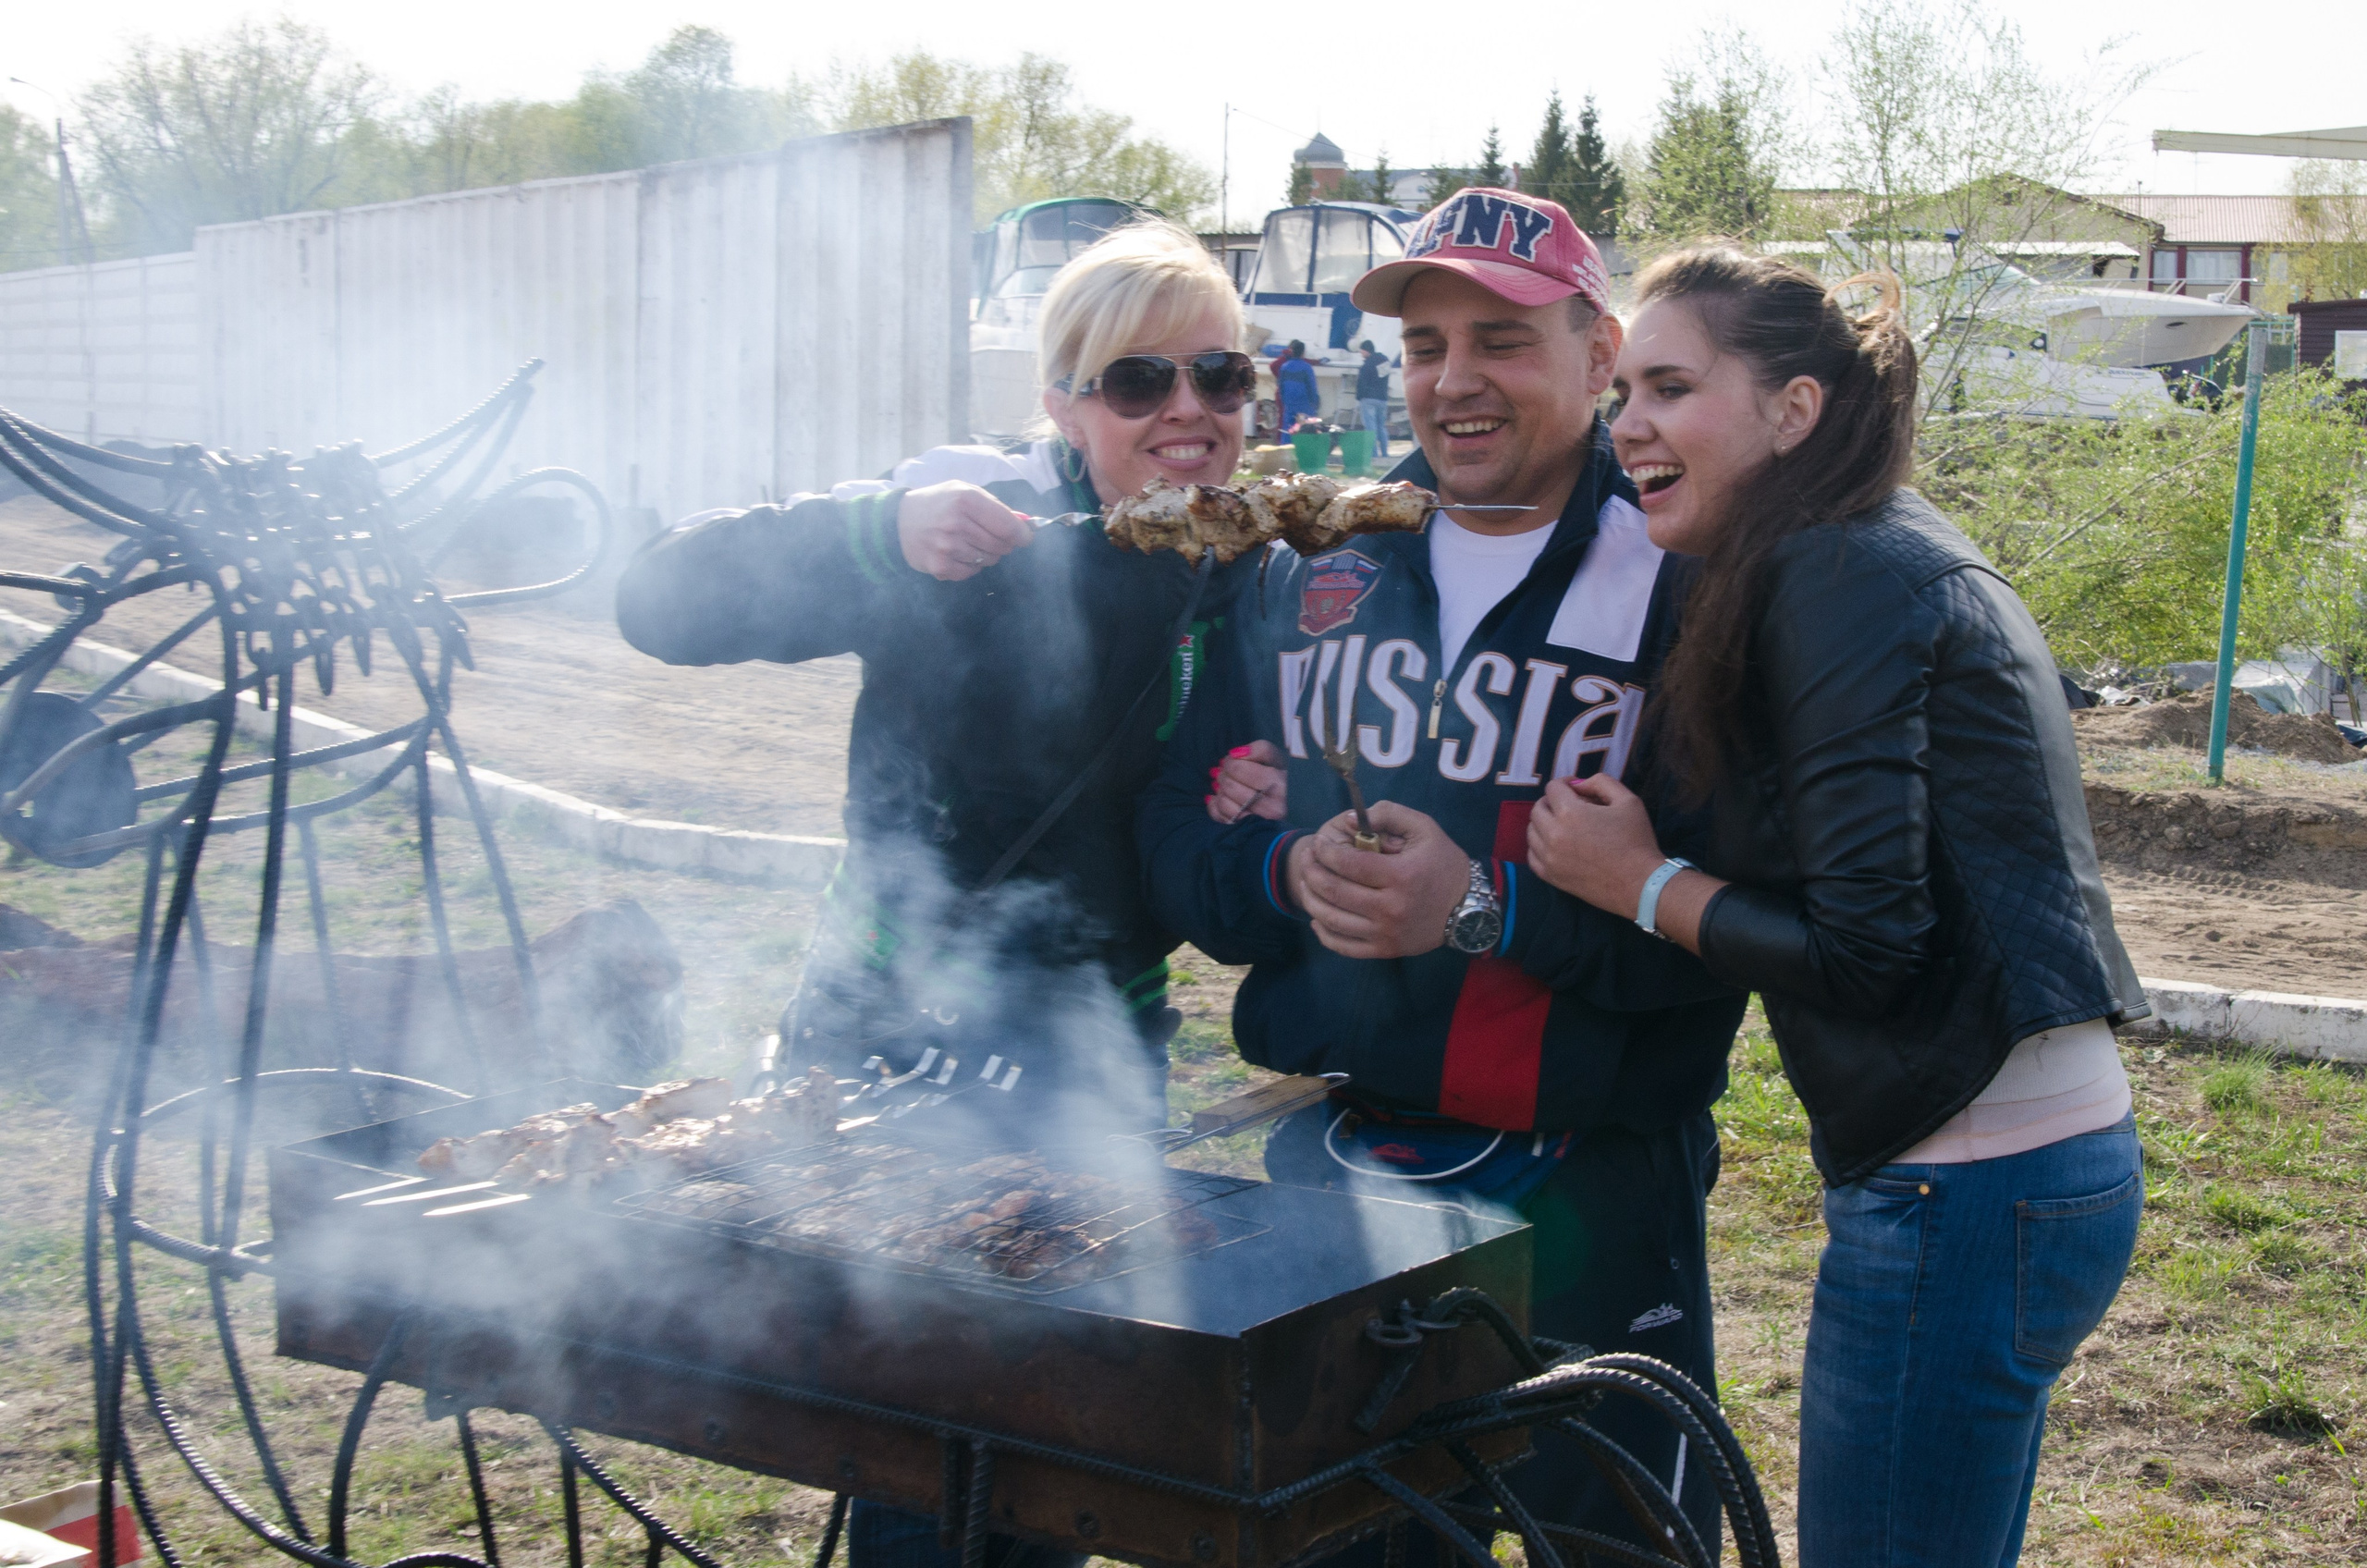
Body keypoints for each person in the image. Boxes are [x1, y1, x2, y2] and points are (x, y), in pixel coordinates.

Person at [616, 219, 1259, 1568]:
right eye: (1140, 382)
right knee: (923, 1454)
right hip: (893, 1048)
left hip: (1098, 1055)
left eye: (1222, 376)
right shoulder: (961, 527)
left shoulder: (1240, 566)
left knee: (1060, 1431)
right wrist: (870, 533)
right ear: (1063, 403)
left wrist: (1254, 798)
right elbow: (654, 601)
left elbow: (1202, 827)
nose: (1188, 410)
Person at [1141, 190, 1745, 1560]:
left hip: (1593, 1183)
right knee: (1351, 1543)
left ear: (1601, 356)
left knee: (1620, 1546)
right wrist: (1283, 872)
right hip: (1339, 1158)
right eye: (1423, 345)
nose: (1453, 380)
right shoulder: (1310, 563)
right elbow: (1175, 836)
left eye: (1502, 340)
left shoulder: (1689, 580)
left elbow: (1748, 922)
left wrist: (1483, 908)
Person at [1525, 245, 2149, 1567]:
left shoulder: (1837, 574)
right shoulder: (1863, 544)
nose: (1627, 422)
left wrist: (1637, 884)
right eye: (1622, 388)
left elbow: (1870, 951)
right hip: (2029, 1165)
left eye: (1672, 386)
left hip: (1964, 1188)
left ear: (1792, 412)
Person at [1355, 337, 1393, 456]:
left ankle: (1374, 454)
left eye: (1362, 351)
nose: (1361, 354)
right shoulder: (1384, 361)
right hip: (1382, 398)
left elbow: (1361, 383)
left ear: (1366, 350)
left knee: (1370, 429)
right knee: (1381, 427)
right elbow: (1384, 379)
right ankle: (1385, 453)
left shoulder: (1366, 365)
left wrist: (1359, 397)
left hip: (1368, 399)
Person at [1273, 337, 1321, 432]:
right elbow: (1312, 388)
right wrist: (1315, 403)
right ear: (1303, 352)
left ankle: (1287, 445)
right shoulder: (1307, 368)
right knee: (1306, 431)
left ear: (1291, 351)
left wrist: (1285, 403)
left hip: (1289, 405)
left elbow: (1281, 387)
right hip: (1305, 405)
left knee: (1288, 430)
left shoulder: (1284, 367)